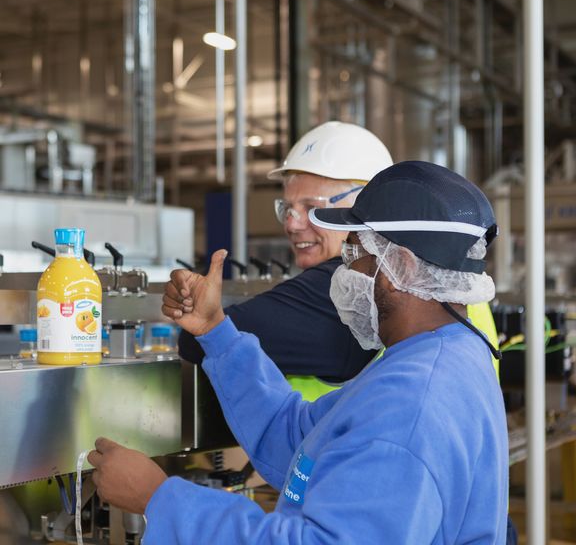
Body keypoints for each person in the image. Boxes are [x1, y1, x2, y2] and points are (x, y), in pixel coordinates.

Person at [89, 161, 509, 544]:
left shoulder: (411, 405)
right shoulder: (439, 355)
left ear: (402, 268)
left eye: (356, 252)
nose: (345, 271)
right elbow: (296, 437)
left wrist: (159, 499)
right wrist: (216, 330)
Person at [174, 121, 499, 400]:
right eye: (287, 208)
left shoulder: (349, 288)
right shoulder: (452, 281)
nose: (291, 223)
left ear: (366, 204)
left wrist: (206, 324)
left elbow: (197, 342)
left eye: (312, 207)